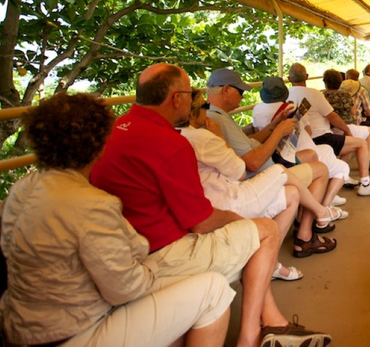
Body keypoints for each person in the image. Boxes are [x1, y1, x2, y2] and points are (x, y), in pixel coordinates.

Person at [91, 63, 330, 346]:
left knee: (252, 234)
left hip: (125, 245)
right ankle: (251, 336)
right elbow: (201, 220)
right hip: (163, 252)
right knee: (264, 230)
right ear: (176, 98)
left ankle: (274, 323)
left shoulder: (114, 130)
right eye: (192, 93)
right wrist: (236, 220)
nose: (196, 99)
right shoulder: (170, 143)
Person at [0, 93, 233, 347]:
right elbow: (125, 289)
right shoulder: (92, 203)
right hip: (72, 332)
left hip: (20, 326)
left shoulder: (22, 189)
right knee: (214, 289)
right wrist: (156, 270)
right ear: (100, 143)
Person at [182, 90, 339, 276]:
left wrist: (273, 126)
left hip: (229, 187)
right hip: (234, 192)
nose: (207, 109)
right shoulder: (208, 132)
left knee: (292, 193)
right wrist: (221, 138)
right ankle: (316, 219)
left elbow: (249, 143)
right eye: (204, 106)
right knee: (295, 170)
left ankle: (270, 263)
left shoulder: (221, 120)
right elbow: (242, 168)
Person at [205, 68, 340, 258]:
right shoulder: (217, 120)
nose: (243, 99)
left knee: (310, 155)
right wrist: (279, 132)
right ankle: (305, 235)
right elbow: (252, 162)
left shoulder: (219, 116)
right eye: (240, 92)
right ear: (226, 89)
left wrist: (273, 125)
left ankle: (304, 218)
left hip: (266, 167)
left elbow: (250, 143)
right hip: (260, 174)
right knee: (321, 169)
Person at [288, 63, 370, 197]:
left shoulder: (286, 95)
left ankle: (344, 175)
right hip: (321, 137)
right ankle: (365, 183)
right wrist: (347, 130)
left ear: (289, 79)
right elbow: (333, 117)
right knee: (360, 143)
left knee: (348, 144)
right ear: (306, 77)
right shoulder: (314, 94)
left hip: (299, 142)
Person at [252, 76, 349, 205]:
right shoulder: (291, 108)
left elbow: (256, 132)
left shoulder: (256, 109)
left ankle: (326, 192)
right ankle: (325, 205)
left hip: (277, 153)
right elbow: (308, 131)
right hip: (297, 154)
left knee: (328, 148)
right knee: (343, 167)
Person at [323, 69, 370, 158]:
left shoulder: (321, 96)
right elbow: (355, 112)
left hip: (328, 129)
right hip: (348, 127)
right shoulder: (349, 94)